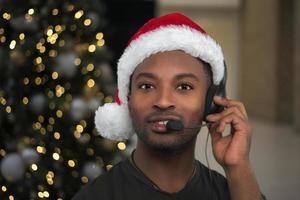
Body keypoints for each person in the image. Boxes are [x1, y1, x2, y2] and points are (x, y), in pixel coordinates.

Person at [72, 13, 265, 200]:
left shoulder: (237, 190)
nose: (163, 101)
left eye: (184, 87)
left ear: (210, 103)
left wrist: (238, 166)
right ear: (129, 101)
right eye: (147, 86)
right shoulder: (95, 196)